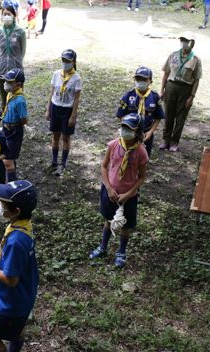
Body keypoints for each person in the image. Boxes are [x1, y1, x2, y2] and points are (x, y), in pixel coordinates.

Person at [0, 180, 39, 352]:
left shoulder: (16, 240)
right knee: (16, 331)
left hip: (12, 303)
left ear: (16, 211)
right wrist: (1, 251)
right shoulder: (24, 226)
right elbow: (21, 256)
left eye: (4, 204)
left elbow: (11, 280)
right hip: (25, 294)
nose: (1, 207)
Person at [89, 113, 148, 268]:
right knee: (108, 220)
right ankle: (103, 247)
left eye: (129, 128)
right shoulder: (113, 145)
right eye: (123, 127)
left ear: (137, 132)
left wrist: (128, 194)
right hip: (111, 192)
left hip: (129, 196)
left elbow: (142, 177)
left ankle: (121, 252)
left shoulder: (141, 152)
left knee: (125, 226)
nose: (124, 131)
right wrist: (108, 188)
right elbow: (104, 166)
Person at [160, 33, 202, 152]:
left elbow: (197, 80)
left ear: (192, 43)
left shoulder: (196, 60)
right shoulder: (173, 55)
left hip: (185, 90)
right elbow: (166, 73)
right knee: (168, 114)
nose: (184, 42)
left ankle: (174, 142)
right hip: (171, 87)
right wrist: (162, 90)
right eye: (182, 40)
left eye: (186, 40)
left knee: (180, 117)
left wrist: (191, 97)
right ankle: (166, 140)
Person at [45, 49, 82, 176]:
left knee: (66, 138)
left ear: (73, 62)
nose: (65, 63)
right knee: (55, 136)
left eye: (68, 61)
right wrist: (48, 109)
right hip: (56, 108)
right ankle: (54, 161)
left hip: (67, 110)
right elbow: (51, 93)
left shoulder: (76, 78)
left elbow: (76, 99)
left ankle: (63, 164)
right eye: (63, 60)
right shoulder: (56, 74)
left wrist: (73, 115)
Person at [116, 66, 165, 156]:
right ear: (134, 80)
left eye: (144, 79)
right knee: (127, 154)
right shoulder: (128, 96)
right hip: (130, 132)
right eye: (138, 79)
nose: (140, 82)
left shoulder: (154, 97)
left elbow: (158, 117)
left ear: (150, 81)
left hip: (147, 133)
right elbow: (120, 114)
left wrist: (151, 132)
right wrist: (128, 130)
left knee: (144, 156)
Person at [0, 6, 26, 109]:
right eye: (5, 14)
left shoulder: (20, 32)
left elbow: (23, 51)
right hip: (1, 71)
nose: (7, 16)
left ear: (14, 15)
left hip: (16, 71)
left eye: (9, 14)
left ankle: (18, 123)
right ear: (2, 16)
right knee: (4, 100)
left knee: (17, 98)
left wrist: (16, 62)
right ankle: (5, 122)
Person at [2, 68, 28, 183]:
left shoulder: (20, 100)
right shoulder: (10, 94)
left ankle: (12, 185)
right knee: (10, 156)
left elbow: (24, 120)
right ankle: (12, 177)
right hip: (7, 127)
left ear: (18, 84)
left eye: (9, 82)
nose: (6, 84)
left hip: (14, 130)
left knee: (7, 160)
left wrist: (13, 124)